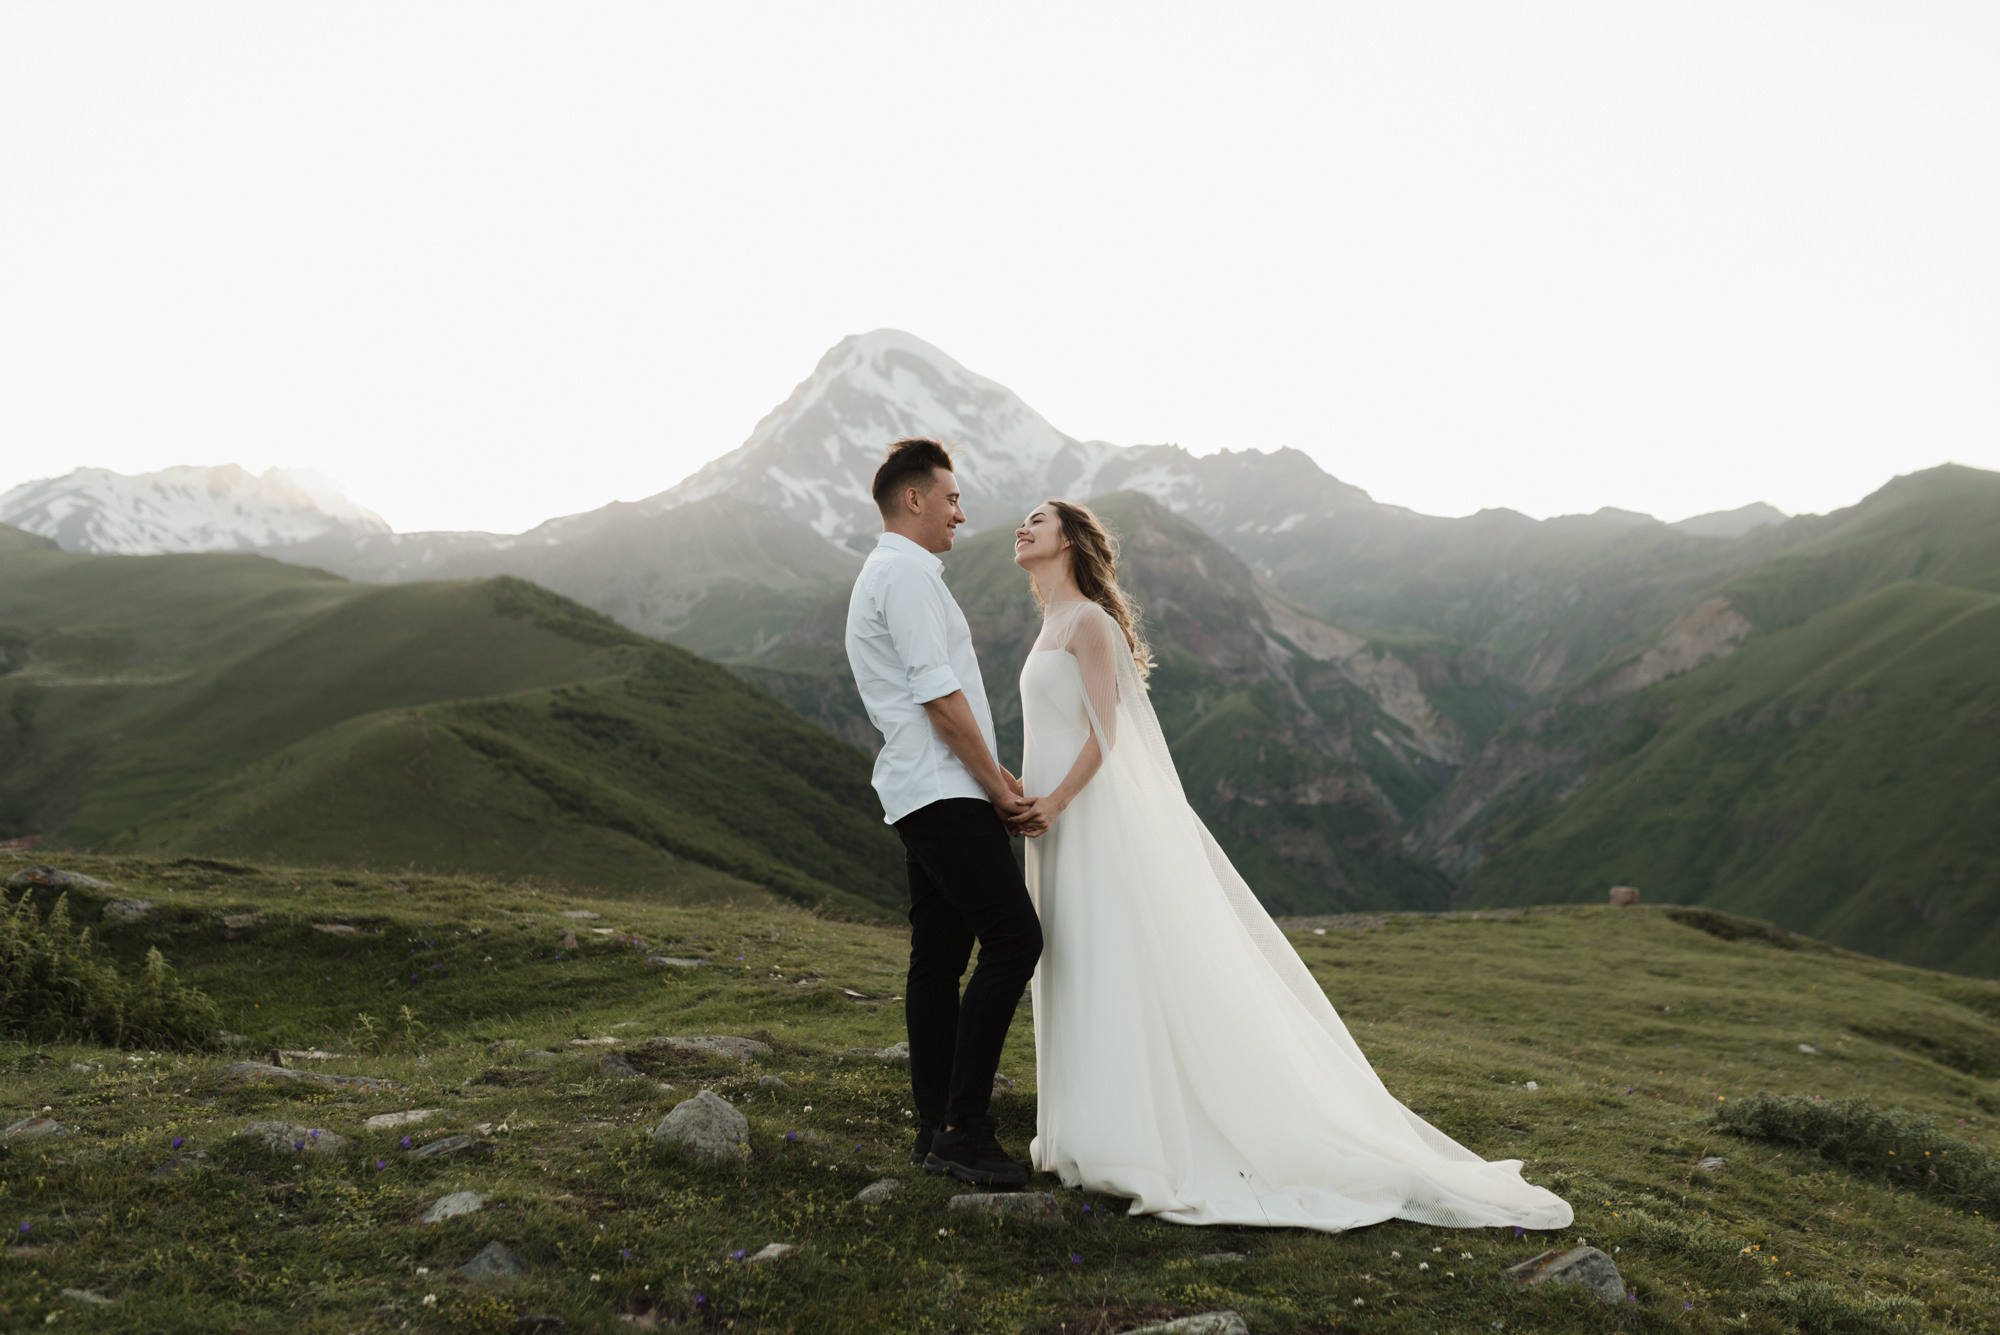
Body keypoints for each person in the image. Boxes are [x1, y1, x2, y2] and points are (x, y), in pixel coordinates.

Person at [1008, 496, 1574, 1232]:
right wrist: (1022, 792)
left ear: (1070, 542)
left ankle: (1125, 1138)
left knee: (1105, 960)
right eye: (1024, 519)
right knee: (1072, 958)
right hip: (1050, 820)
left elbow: (1105, 733)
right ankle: (1079, 1127)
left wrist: (1056, 801)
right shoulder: (1049, 622)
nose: (1023, 527)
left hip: (1084, 818)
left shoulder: (1088, 622)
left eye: (1039, 520)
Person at [844, 437, 1041, 1188]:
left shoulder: (890, 572)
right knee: (1015, 938)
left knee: (937, 958)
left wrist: (994, 773)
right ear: (915, 498)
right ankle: (964, 1128)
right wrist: (995, 787)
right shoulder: (905, 574)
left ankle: (935, 1130)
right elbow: (938, 695)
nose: (961, 513)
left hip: (924, 787)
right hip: (943, 789)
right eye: (952, 498)